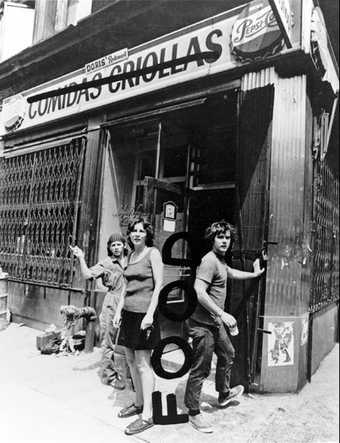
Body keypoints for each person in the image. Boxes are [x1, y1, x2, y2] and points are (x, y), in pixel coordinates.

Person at [184, 220, 265, 433]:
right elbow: (199, 291)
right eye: (220, 237)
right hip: (202, 324)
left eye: (228, 238)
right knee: (201, 367)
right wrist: (222, 313)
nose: (225, 241)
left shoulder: (220, 261)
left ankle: (223, 393)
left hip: (214, 322)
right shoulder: (209, 261)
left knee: (228, 353)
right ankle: (193, 413)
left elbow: (231, 273)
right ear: (213, 239)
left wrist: (254, 274)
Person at [113, 217, 163, 436]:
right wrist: (118, 311)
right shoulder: (130, 255)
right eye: (134, 231)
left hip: (145, 316)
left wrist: (150, 314)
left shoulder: (153, 253)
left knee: (143, 364)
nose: (137, 234)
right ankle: (139, 402)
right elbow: (126, 287)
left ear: (147, 234)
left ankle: (148, 415)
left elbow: (159, 285)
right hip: (129, 315)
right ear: (130, 234)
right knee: (131, 360)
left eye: (141, 231)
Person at [70, 233, 128, 389]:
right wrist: (81, 257)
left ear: (124, 245)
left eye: (119, 244)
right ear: (109, 247)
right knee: (108, 341)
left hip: (130, 303)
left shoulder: (131, 260)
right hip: (112, 303)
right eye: (113, 245)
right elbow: (87, 275)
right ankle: (109, 376)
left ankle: (129, 375)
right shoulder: (107, 263)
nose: (116, 247)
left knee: (129, 341)